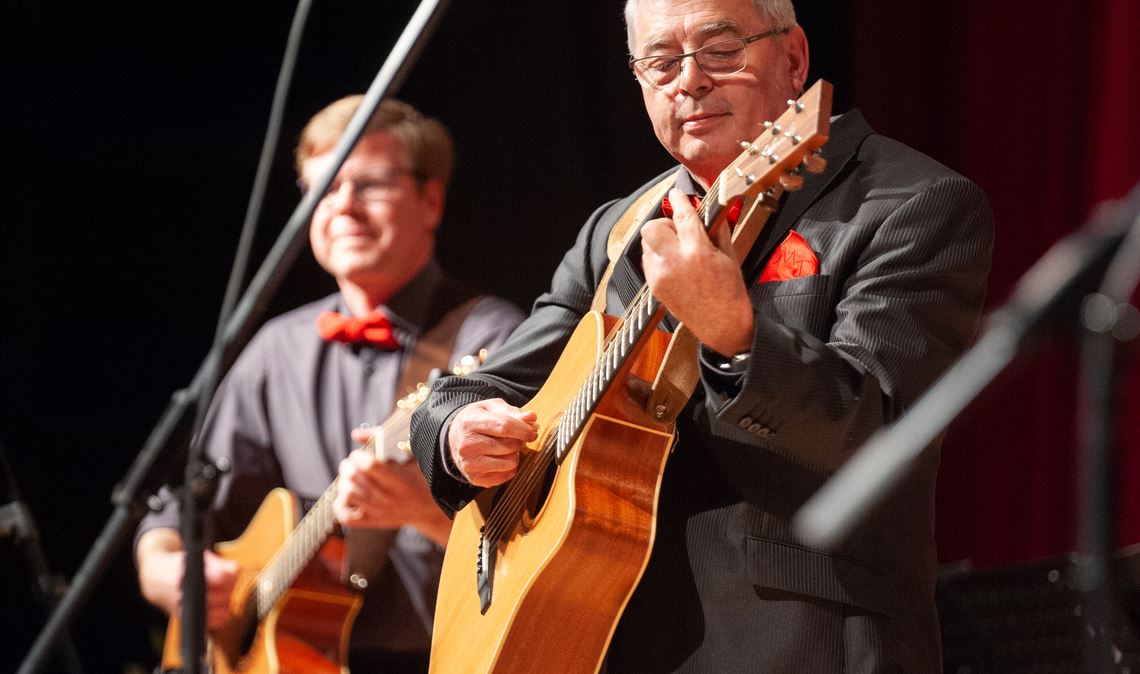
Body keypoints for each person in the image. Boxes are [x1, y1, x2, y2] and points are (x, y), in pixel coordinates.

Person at [409, 0, 994, 671]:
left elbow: (880, 432)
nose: (689, 81)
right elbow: (481, 386)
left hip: (800, 641)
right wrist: (456, 434)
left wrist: (735, 332)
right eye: (661, 62)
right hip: (601, 628)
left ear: (794, 58)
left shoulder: (912, 204)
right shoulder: (620, 226)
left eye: (720, 51)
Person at [134, 96, 525, 671]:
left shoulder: (497, 337)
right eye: (324, 188)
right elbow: (181, 511)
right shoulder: (277, 348)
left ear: (430, 200)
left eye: (369, 184)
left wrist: (424, 511)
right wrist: (165, 569)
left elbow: (543, 543)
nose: (344, 207)